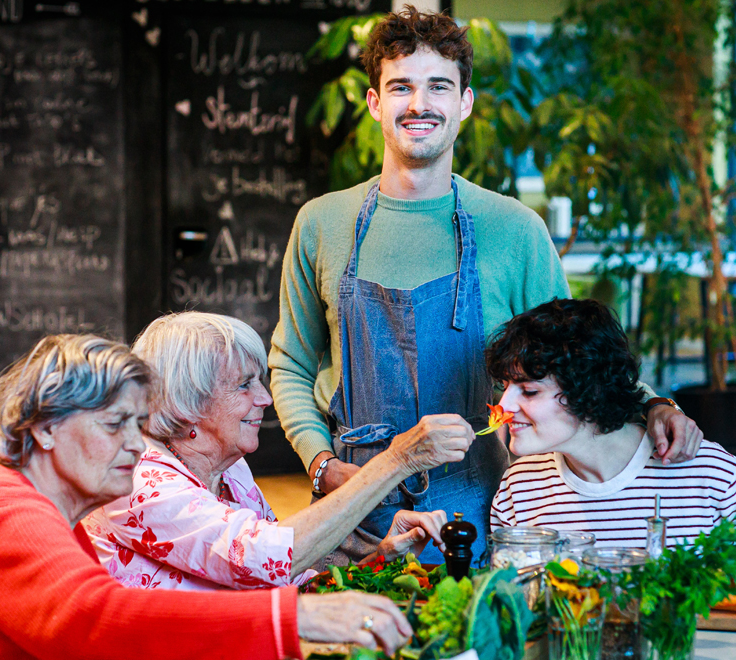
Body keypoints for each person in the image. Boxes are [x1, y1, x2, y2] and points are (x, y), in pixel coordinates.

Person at [267, 5, 703, 564]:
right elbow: (291, 365)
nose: (419, 104)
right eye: (400, 86)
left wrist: (655, 406)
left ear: (465, 103)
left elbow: (578, 359)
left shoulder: (514, 229)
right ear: (375, 102)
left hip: (491, 515)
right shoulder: (322, 223)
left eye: (439, 87)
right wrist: (326, 470)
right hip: (352, 510)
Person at [0, 334, 413, 660]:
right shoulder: (8, 508)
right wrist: (296, 617)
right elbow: (95, 618)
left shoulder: (45, 509)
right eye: (115, 424)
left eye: (139, 425)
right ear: (44, 429)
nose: (137, 446)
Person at [84, 311, 468, 589]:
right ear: (187, 404)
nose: (266, 398)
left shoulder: (229, 471)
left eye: (261, 382)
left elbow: (297, 584)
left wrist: (384, 557)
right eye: (244, 386)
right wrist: (398, 460)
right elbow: (265, 559)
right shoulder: (138, 481)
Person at [488, 298, 736, 547]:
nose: (504, 406)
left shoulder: (712, 476)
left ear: (590, 390)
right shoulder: (518, 488)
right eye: (505, 387)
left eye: (529, 391)